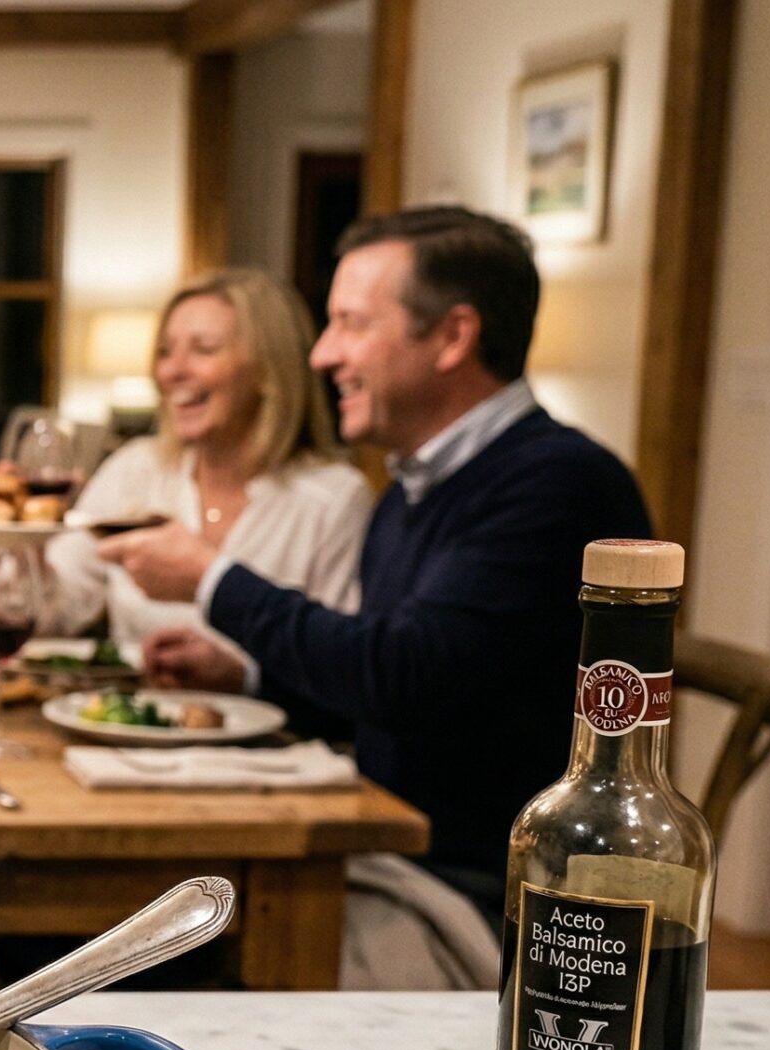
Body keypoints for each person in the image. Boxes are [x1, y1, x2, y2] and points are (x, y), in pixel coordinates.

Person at [97, 206, 652, 944]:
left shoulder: (557, 484)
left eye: (351, 324)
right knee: (104, 918)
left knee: (122, 941)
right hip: (390, 855)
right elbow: (403, 696)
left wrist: (212, 580)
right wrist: (252, 679)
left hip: (509, 904)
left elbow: (405, 671)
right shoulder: (416, 490)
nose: (323, 355)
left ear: (454, 336)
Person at [47, 269, 370, 655]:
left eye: (203, 349)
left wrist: (243, 677)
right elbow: (55, 609)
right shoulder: (133, 470)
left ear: (268, 371)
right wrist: (7, 544)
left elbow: (338, 662)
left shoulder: (334, 498)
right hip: (127, 712)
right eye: (165, 352)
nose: (172, 370)